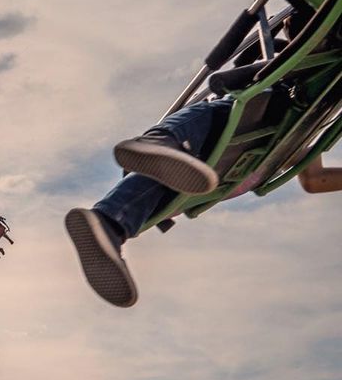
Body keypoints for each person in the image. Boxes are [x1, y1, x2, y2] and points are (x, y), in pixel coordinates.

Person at [66, 97, 339, 307]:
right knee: (226, 112)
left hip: (215, 176)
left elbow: (315, 180)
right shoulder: (284, 95)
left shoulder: (300, 137)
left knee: (169, 180)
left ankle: (108, 225)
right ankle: (158, 144)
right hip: (234, 129)